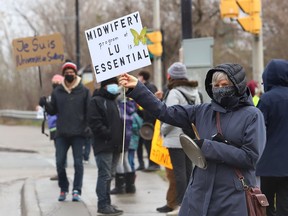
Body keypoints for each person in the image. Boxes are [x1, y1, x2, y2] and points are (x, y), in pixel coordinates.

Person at [119, 63, 266, 216]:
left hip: (232, 198)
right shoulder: (203, 111)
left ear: (237, 85)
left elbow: (250, 158)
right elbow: (165, 112)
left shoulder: (253, 116)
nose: (220, 88)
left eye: (225, 84)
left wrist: (207, 147)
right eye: (216, 85)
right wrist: (137, 88)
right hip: (199, 194)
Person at [39, 61, 90, 202]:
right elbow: (53, 110)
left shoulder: (84, 91)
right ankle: (63, 188)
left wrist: (87, 127)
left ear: (75, 74)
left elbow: (89, 111)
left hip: (78, 133)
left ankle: (76, 190)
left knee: (78, 163)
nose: (69, 74)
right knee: (60, 163)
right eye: (66, 72)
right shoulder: (57, 92)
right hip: (61, 134)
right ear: (64, 74)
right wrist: (44, 104)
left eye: (71, 71)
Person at [160, 62, 202, 215]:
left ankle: (180, 205)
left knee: (179, 173)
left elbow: (170, 116)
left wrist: (162, 130)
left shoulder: (174, 93)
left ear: (171, 76)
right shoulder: (195, 92)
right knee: (188, 171)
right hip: (189, 138)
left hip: (174, 138)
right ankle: (189, 202)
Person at [256, 59, 288, 216]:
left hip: (267, 164)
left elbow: (258, 129)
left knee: (264, 205)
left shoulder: (267, 99)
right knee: (285, 206)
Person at [88, 77, 123, 215]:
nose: (115, 86)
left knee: (110, 175)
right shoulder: (96, 101)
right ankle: (102, 204)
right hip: (104, 144)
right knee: (104, 174)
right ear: (104, 86)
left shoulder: (113, 101)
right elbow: (94, 123)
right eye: (111, 84)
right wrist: (108, 134)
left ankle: (107, 203)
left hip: (115, 145)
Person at [110, 96, 137, 194]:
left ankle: (120, 186)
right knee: (125, 160)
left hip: (121, 135)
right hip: (128, 136)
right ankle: (130, 186)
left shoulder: (120, 107)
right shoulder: (130, 106)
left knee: (118, 161)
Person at [136, 70, 159, 171]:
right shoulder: (148, 87)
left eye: (138, 76)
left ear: (142, 77)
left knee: (148, 143)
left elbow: (151, 104)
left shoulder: (148, 88)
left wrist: (149, 120)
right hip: (145, 119)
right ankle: (145, 164)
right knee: (142, 143)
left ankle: (153, 164)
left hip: (149, 121)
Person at [47, 74, 64, 181]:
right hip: (53, 127)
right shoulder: (52, 96)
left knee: (60, 152)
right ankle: (60, 171)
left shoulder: (60, 96)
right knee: (58, 151)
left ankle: (61, 172)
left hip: (58, 126)